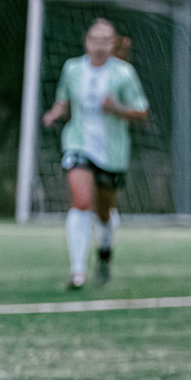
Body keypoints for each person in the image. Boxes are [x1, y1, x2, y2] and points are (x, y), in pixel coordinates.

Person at [41, 18, 148, 288]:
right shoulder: (73, 68)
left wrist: (117, 110)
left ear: (113, 44)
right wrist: (55, 113)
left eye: (105, 40)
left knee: (104, 212)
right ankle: (78, 271)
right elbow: (63, 100)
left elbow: (141, 111)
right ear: (86, 41)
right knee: (81, 202)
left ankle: (104, 255)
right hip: (77, 143)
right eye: (94, 39)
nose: (99, 45)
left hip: (112, 151)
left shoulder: (123, 73)